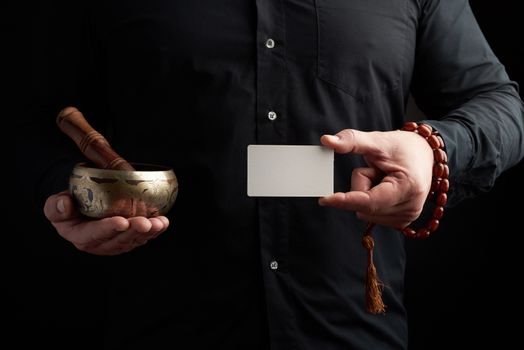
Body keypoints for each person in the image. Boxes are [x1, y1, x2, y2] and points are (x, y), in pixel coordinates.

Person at [25, 0, 523, 349]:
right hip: (163, 323)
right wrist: (63, 192)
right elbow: (32, 116)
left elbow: (499, 106)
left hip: (352, 330)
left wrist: (431, 149)